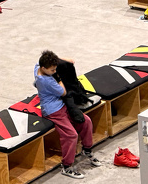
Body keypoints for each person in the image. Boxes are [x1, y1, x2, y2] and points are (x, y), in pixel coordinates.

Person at [34, 50, 102, 179]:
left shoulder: (38, 66)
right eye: (53, 70)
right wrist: (59, 79)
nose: (55, 72)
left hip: (62, 106)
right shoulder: (46, 81)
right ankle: (66, 166)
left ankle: (87, 149)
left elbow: (67, 60)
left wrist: (58, 60)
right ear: (44, 68)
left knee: (86, 121)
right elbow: (63, 92)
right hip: (53, 111)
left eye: (56, 69)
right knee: (71, 135)